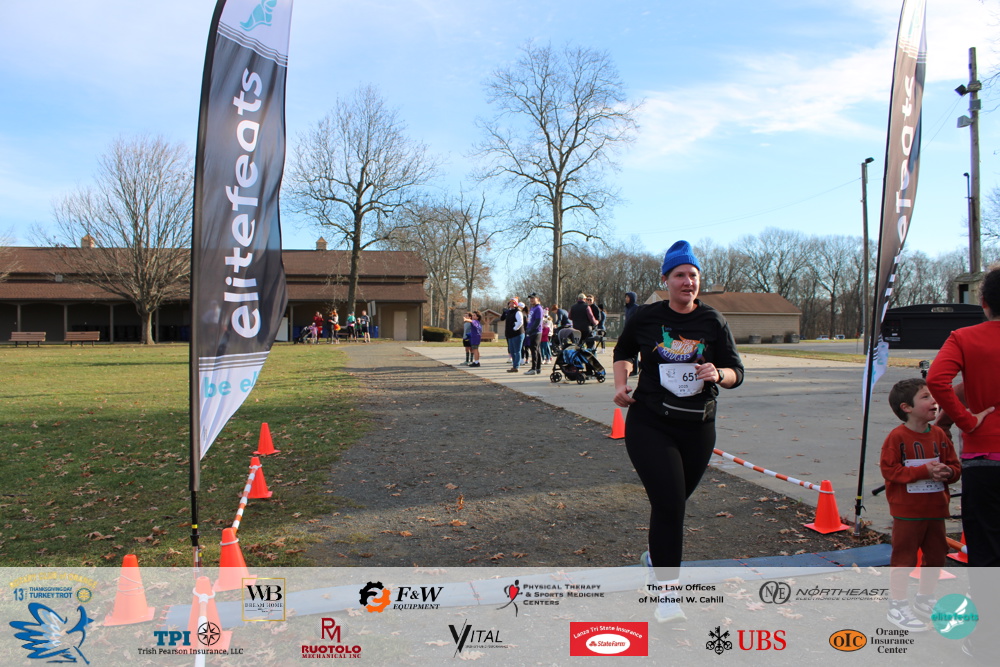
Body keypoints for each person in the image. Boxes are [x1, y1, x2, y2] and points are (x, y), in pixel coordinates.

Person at [612, 240, 744, 623]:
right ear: (666, 280)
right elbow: (623, 351)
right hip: (650, 422)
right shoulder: (646, 317)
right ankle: (667, 595)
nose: (688, 282)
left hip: (698, 426)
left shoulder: (713, 321)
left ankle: (655, 558)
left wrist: (719, 373)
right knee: (670, 505)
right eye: (680, 275)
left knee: (672, 505)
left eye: (693, 275)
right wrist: (619, 384)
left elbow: (737, 372)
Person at [927, 265, 1000, 661]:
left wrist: (967, 421)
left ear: (983, 302)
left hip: (985, 460)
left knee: (987, 555)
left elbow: (937, 381)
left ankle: (988, 643)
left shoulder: (965, 338)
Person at [880, 378, 960, 632]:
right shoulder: (897, 437)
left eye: (933, 397)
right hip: (907, 512)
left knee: (937, 555)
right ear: (907, 407)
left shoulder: (939, 434)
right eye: (926, 397)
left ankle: (925, 598)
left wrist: (949, 472)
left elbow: (955, 466)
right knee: (904, 557)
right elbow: (890, 471)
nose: (934, 402)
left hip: (935, 509)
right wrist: (924, 471)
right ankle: (897, 604)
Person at [500, 297, 525, 373]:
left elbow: (520, 322)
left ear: (516, 304)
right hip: (510, 334)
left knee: (517, 351)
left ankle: (516, 366)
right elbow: (502, 318)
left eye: (513, 303)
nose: (511, 304)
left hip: (517, 334)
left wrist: (514, 328)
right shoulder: (509, 312)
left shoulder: (518, 312)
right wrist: (504, 312)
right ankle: (514, 365)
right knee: (512, 350)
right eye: (510, 303)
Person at [524, 294, 544, 375]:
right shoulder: (533, 308)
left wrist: (531, 329)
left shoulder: (539, 308)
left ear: (537, 298)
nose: (531, 300)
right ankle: (538, 368)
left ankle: (534, 368)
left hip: (536, 332)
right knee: (536, 350)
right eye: (530, 298)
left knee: (534, 350)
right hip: (531, 331)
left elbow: (538, 321)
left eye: (533, 298)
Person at [624, 291, 639, 375]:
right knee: (630, 351)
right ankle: (637, 365)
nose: (626, 299)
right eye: (626, 297)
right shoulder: (627, 308)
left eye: (628, 297)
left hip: (634, 331)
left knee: (634, 352)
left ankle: (635, 370)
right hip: (628, 331)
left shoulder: (636, 308)